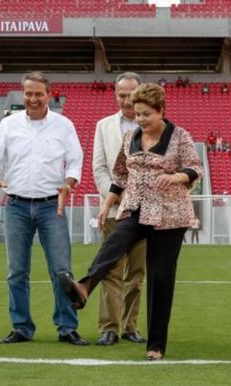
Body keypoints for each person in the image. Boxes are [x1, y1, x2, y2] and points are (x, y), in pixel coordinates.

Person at [59, 82, 202, 360]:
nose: (140, 119)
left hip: (169, 214)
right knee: (114, 244)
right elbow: (121, 176)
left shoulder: (179, 136)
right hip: (135, 207)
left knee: (160, 278)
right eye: (137, 114)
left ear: (161, 110)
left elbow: (195, 167)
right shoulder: (130, 138)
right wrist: (106, 205)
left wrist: (175, 177)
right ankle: (84, 287)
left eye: (146, 114)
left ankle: (156, 346)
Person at [0, 71, 88, 346]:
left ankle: (67, 327)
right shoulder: (9, 125)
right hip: (16, 205)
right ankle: (21, 327)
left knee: (61, 271)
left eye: (38, 94)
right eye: (28, 93)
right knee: (16, 271)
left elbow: (76, 160)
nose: (32, 98)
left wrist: (68, 184)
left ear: (48, 95)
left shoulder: (64, 125)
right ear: (23, 94)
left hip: (51, 206)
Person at [92, 72, 146, 346]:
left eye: (131, 95)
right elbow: (99, 167)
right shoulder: (103, 126)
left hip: (145, 212)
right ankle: (109, 328)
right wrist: (113, 197)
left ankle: (130, 326)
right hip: (114, 211)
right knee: (110, 270)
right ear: (115, 95)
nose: (126, 100)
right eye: (121, 95)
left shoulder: (152, 124)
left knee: (136, 273)